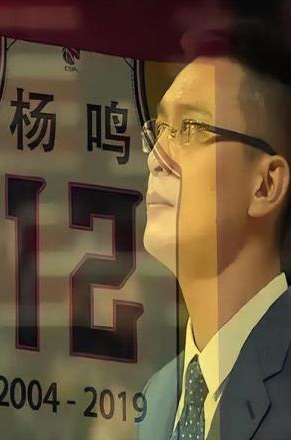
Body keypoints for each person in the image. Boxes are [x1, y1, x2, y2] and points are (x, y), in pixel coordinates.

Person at [137, 23, 291, 440]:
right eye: (158, 130)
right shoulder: (159, 398)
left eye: (191, 128)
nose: (156, 158)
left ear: (266, 185)